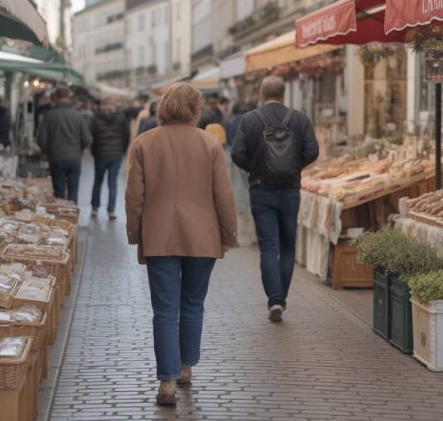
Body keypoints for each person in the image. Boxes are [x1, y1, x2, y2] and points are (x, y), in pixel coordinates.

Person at [125, 83, 237, 407]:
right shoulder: (209, 144)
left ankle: (167, 383)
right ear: (195, 109)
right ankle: (186, 366)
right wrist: (229, 234)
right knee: (192, 304)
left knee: (164, 310)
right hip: (203, 237)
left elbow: (134, 197)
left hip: (159, 236)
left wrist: (135, 232)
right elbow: (224, 196)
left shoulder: (144, 143)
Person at [231, 76, 319, 323]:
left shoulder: (250, 119)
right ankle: (281, 298)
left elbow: (237, 153)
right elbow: (313, 151)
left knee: (268, 246)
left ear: (261, 94)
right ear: (283, 95)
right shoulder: (299, 119)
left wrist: (255, 169)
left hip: (261, 190)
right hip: (290, 190)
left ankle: (275, 299)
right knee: (288, 246)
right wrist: (294, 167)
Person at [37, 87, 92, 204]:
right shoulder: (78, 115)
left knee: (59, 192)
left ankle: (61, 219)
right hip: (74, 158)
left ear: (55, 97)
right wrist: (79, 150)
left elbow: (41, 140)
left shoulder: (49, 115)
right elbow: (87, 139)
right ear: (69, 97)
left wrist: (49, 152)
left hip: (56, 158)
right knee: (73, 191)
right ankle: (72, 218)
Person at [89, 98, 130, 219]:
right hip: (116, 155)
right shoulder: (121, 117)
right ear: (113, 105)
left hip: (100, 154)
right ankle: (111, 211)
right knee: (113, 183)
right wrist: (122, 150)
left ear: (102, 105)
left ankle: (95, 208)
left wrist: (94, 151)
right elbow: (126, 135)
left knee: (98, 181)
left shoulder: (96, 117)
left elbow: (91, 136)